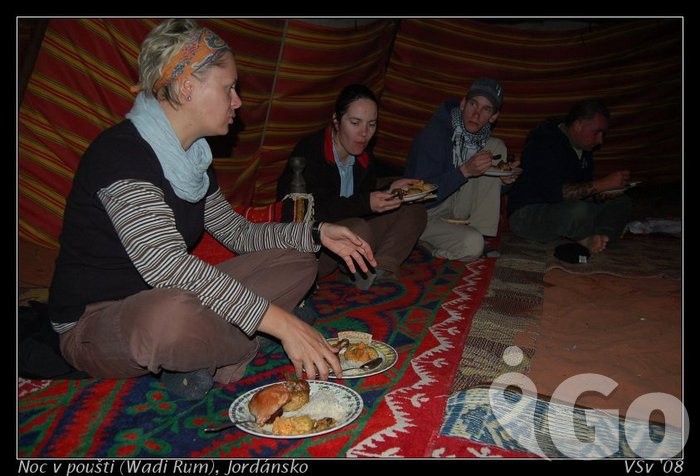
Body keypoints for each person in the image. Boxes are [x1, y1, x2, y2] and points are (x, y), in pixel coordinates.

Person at [48, 19, 377, 400]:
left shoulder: (194, 161)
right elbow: (167, 266)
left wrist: (317, 232)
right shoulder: (120, 155)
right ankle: (233, 347)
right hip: (102, 321)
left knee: (301, 260)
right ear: (187, 87)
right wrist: (281, 324)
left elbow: (239, 233)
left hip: (179, 298)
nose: (237, 101)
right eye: (229, 87)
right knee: (171, 317)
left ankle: (202, 354)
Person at [277, 84, 427, 290]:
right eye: (355, 123)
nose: (364, 133)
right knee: (358, 229)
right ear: (336, 121)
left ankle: (381, 268)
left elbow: (363, 199)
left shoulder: (363, 156)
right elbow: (304, 212)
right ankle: (362, 269)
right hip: (315, 246)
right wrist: (367, 203)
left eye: (371, 124)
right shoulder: (310, 152)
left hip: (354, 232)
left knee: (414, 208)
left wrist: (390, 190)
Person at [405, 77, 520, 261]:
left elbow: (481, 188)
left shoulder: (480, 140)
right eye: (473, 104)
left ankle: (480, 232)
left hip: (455, 207)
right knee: (472, 245)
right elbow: (420, 197)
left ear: (493, 117)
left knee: (496, 146)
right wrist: (464, 171)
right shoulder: (434, 135)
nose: (476, 114)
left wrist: (504, 181)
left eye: (486, 109)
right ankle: (430, 244)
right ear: (463, 103)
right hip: (424, 214)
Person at [507, 99, 632, 254]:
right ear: (578, 125)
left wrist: (602, 193)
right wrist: (602, 184)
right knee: (578, 211)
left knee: (621, 201)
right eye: (597, 133)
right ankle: (586, 237)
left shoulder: (584, 150)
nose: (600, 140)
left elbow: (581, 190)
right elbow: (555, 193)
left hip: (562, 210)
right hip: (529, 214)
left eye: (603, 134)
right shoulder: (544, 142)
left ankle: (602, 237)